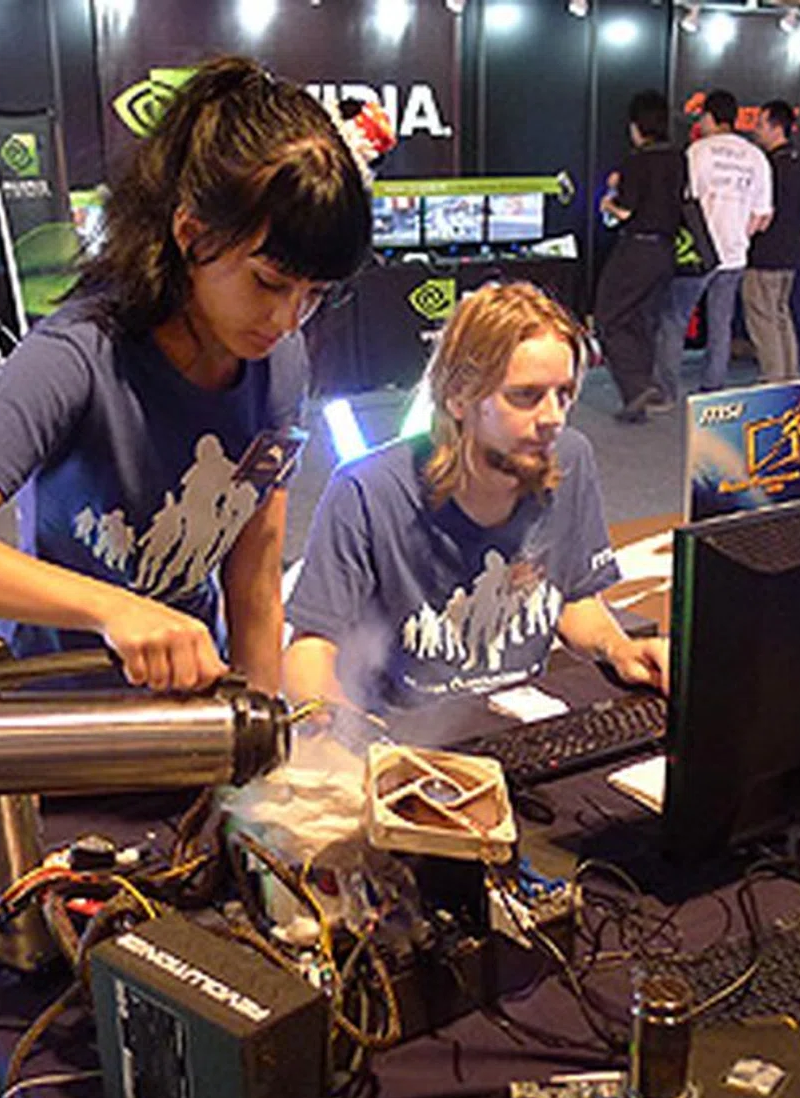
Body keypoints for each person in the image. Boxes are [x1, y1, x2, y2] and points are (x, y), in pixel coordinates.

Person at [0, 57, 371, 694]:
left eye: (315, 294)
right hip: (64, 720)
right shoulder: (78, 355)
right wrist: (113, 608)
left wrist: (261, 750)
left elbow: (255, 584)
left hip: (195, 707)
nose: (288, 318)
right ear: (192, 234)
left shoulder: (281, 361)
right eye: (268, 282)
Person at [283, 281, 667, 714]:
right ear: (459, 397)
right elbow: (310, 649)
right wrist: (329, 725)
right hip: (403, 738)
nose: (553, 419)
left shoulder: (571, 459)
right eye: (526, 396)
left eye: (564, 394)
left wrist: (619, 648)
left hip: (521, 719)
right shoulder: (366, 491)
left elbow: (573, 599)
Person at [656, 89, 772, 401]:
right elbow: (763, 215)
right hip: (734, 255)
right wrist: (739, 236)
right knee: (721, 323)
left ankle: (666, 391)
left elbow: (682, 200)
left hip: (697, 254)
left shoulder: (698, 152)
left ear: (710, 117)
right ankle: (713, 387)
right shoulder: (756, 157)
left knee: (674, 319)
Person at [595, 91, 686, 423]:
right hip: (666, 251)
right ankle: (641, 394)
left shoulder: (637, 160)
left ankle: (636, 387)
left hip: (637, 249)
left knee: (608, 316)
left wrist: (609, 202)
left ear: (637, 125)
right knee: (643, 320)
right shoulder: (678, 158)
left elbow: (627, 212)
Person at [742, 99, 800, 383]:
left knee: (763, 318)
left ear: (776, 127)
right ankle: (788, 376)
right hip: (790, 253)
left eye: (760, 124)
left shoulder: (768, 166)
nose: (755, 130)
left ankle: (772, 379)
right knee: (781, 316)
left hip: (766, 254)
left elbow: (762, 212)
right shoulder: (797, 163)